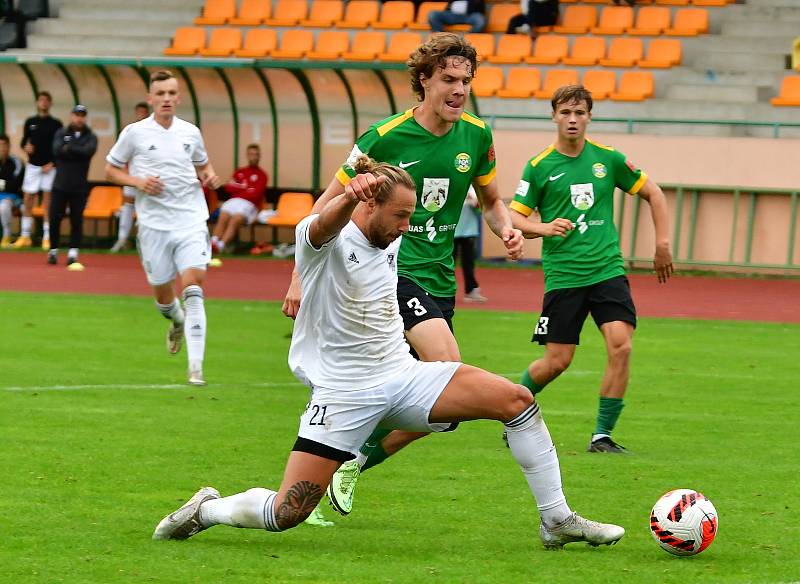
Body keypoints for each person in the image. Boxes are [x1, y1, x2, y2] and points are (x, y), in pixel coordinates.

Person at [152, 156, 625, 550]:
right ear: (368, 204)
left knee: (517, 401)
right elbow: (321, 226)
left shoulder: (389, 237)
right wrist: (347, 195)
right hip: (343, 392)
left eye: (409, 215)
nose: (406, 226)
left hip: (401, 375)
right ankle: (207, 509)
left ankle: (557, 519)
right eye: (399, 215)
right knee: (288, 510)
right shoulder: (322, 241)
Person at [282, 33, 524, 519]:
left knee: (440, 413)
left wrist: (507, 229)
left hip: (440, 280)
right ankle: (342, 450)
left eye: (466, 81)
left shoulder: (477, 135)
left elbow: (493, 200)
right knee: (448, 368)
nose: (458, 90)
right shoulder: (383, 136)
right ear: (424, 80)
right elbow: (324, 204)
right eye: (449, 80)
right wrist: (299, 277)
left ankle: (349, 456)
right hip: (392, 273)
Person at [509, 84, 673, 454]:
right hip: (564, 277)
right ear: (554, 116)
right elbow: (513, 216)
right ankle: (512, 411)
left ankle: (602, 435)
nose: (572, 119)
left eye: (579, 113)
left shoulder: (608, 159)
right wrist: (543, 228)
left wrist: (661, 244)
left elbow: (655, 194)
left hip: (607, 271)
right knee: (556, 362)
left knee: (621, 346)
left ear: (588, 117)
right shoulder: (539, 166)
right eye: (565, 112)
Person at [105, 70, 221, 386]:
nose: (167, 99)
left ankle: (195, 368)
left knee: (194, 288)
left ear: (179, 97)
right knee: (164, 300)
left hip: (191, 220)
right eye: (161, 94)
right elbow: (111, 169)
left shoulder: (190, 132)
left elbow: (203, 165)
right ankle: (176, 321)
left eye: (172, 93)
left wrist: (209, 175)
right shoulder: (134, 133)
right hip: (154, 226)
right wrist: (137, 181)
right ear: (151, 98)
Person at [46, 105, 98, 267]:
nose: (79, 118)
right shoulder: (61, 132)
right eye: (77, 115)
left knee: (77, 220)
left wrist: (69, 148)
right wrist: (75, 150)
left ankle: (73, 252)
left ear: (85, 117)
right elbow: (56, 150)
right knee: (55, 218)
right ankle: (53, 250)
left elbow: (88, 151)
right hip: (60, 185)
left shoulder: (91, 136)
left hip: (80, 187)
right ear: (71, 116)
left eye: (82, 115)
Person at [12, 90, 62, 250]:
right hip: (33, 166)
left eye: (46, 100)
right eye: (41, 100)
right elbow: (23, 142)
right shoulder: (30, 122)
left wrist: (53, 163)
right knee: (28, 199)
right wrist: (26, 147)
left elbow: (60, 147)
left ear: (50, 103)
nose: (44, 103)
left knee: (48, 201)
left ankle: (47, 237)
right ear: (37, 103)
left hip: (49, 167)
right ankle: (25, 235)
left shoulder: (56, 124)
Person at [210, 143, 268, 255]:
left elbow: (256, 194)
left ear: (259, 156)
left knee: (236, 219)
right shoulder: (240, 171)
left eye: (256, 154)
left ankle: (221, 246)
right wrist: (246, 188)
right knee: (224, 215)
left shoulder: (262, 175)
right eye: (251, 154)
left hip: (249, 205)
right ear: (247, 155)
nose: (254, 157)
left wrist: (239, 187)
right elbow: (228, 187)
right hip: (233, 201)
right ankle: (213, 243)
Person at [110, 102, 151, 253]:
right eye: (139, 112)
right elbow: (121, 157)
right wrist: (126, 173)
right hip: (131, 178)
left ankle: (145, 242)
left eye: (144, 112)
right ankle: (122, 239)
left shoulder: (153, 132)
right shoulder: (130, 131)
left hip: (148, 179)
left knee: (146, 208)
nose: (141, 115)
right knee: (127, 207)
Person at [453, 186, 486, 302]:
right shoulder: (452, 186)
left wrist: (472, 199)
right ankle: (444, 290)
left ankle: (471, 290)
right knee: (448, 262)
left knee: (468, 262)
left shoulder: (472, 188)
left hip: (469, 231)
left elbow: (480, 206)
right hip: (451, 232)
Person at [0, 134, 25, 247]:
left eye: (4, 145)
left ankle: (6, 236)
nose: (2, 148)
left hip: (14, 198)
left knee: (4, 205)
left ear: (9, 147)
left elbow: (14, 185)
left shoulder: (17, 162)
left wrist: (4, 185)